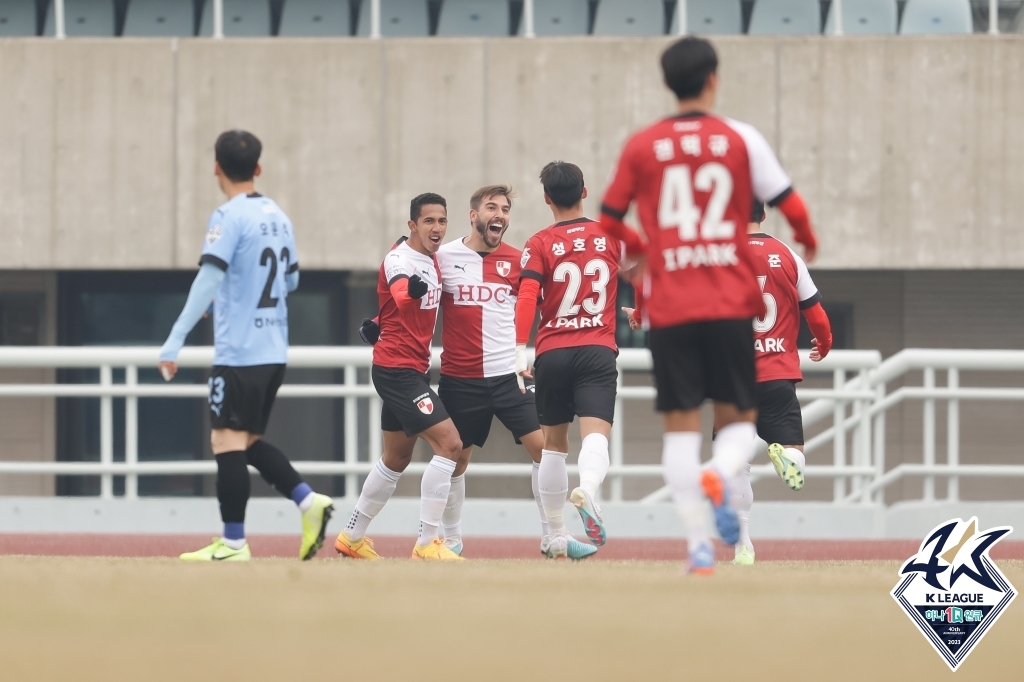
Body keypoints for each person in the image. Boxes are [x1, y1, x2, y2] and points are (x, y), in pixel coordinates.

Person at [600, 37, 819, 574]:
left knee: (680, 428)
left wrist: (646, 250)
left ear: (666, 83)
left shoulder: (642, 144)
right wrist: (807, 235)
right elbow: (791, 204)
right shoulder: (740, 138)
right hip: (727, 304)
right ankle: (722, 470)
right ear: (713, 79)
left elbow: (608, 220)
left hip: (672, 306)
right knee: (740, 418)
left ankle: (699, 545)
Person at [159, 129, 334, 562]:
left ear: (216, 168)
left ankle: (234, 542)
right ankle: (307, 501)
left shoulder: (227, 216)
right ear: (258, 169)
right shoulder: (279, 216)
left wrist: (174, 340)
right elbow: (290, 280)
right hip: (273, 347)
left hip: (239, 350)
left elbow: (210, 276)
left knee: (224, 441)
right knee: (245, 440)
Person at [431, 185, 596, 560]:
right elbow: (421, 301)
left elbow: (545, 303)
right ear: (474, 216)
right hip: (461, 379)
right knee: (457, 457)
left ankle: (554, 535)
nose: (500, 214)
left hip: (511, 377)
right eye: (492, 207)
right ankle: (452, 539)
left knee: (546, 450)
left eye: (505, 209)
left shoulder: (520, 260)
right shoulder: (444, 257)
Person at [334, 193, 465, 561]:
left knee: (396, 457)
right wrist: (411, 292)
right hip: (397, 372)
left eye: (441, 221)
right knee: (451, 445)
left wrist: (378, 323)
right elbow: (401, 293)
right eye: (428, 221)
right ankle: (427, 544)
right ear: (412, 225)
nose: (436, 228)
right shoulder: (399, 258)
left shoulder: (432, 257)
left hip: (410, 369)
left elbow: (393, 308)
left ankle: (352, 536)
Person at [515, 162, 621, 559]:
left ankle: (556, 534)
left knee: (554, 446)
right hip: (596, 349)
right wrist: (641, 312)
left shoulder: (539, 242)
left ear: (546, 198)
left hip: (552, 351)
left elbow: (527, 296)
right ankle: (589, 491)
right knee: (595, 436)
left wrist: (518, 350)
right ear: (585, 192)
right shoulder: (611, 235)